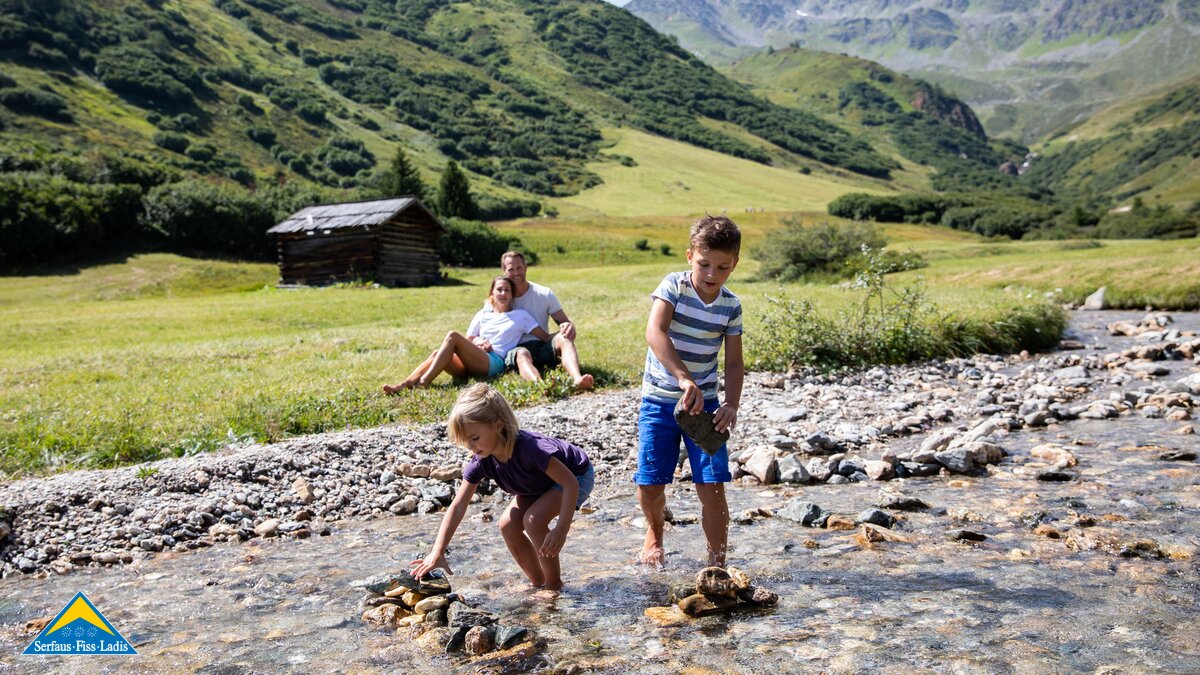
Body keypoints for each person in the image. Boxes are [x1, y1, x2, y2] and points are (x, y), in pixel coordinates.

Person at [410, 384, 595, 592]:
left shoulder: (532, 449)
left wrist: (561, 529)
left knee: (533, 521)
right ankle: (538, 582)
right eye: (465, 441)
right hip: (537, 483)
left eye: (475, 438)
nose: (470, 446)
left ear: (498, 425)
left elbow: (569, 483)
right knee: (507, 525)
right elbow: (458, 506)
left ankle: (553, 586)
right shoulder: (481, 459)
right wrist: (438, 551)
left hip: (576, 476)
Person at [635, 215, 744, 568]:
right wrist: (684, 378)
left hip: (707, 406)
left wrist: (731, 403)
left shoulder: (731, 305)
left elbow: (733, 363)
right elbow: (655, 332)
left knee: (711, 484)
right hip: (660, 400)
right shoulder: (674, 287)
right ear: (689, 256)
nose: (712, 274)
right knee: (651, 483)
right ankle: (654, 532)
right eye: (704, 264)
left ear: (734, 264)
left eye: (722, 267)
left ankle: (717, 562)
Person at [383, 276, 550, 392]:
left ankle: (424, 382)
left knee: (452, 336)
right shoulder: (483, 315)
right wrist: (478, 341)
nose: (503, 293)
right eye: (499, 289)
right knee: (437, 354)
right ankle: (404, 384)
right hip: (472, 361)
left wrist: (563, 332)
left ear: (512, 294)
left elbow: (544, 337)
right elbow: (469, 339)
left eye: (507, 290)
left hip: (494, 362)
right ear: (492, 293)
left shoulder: (520, 315)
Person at [497, 251, 594, 391]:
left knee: (564, 337)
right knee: (522, 354)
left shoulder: (544, 294)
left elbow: (564, 322)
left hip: (542, 346)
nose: (516, 273)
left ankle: (577, 379)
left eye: (519, 268)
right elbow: (485, 325)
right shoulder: (500, 296)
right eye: (511, 269)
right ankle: (541, 387)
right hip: (517, 349)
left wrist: (568, 327)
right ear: (504, 271)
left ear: (526, 267)